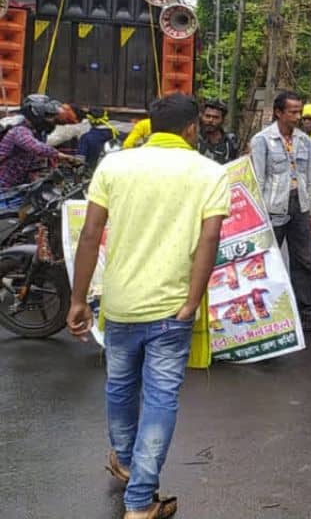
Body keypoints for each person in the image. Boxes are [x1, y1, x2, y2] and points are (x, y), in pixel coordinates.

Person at [66, 93, 230, 519]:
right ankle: (139, 502)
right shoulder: (209, 173)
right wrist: (192, 301)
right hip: (172, 307)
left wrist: (79, 299)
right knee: (160, 398)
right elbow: (209, 239)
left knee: (120, 386)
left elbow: (90, 234)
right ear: (192, 127)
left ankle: (123, 459)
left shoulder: (116, 165)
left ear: (150, 125)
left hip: (121, 304)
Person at [249, 91, 311, 334]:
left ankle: (309, 316)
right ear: (279, 112)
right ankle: (266, 321)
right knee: (267, 264)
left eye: (300, 111)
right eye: (293, 112)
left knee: (304, 262)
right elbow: (257, 179)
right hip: (272, 208)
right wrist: (259, 215)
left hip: (300, 206)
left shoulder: (304, 140)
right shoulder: (262, 140)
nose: (298, 116)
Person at [0, 93, 79, 190]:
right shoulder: (19, 130)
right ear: (36, 114)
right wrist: (62, 156)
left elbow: (34, 160)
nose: (51, 121)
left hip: (20, 184)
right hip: (4, 184)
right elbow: (35, 147)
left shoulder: (39, 133)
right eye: (48, 116)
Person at [196, 100, 239, 165]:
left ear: (223, 120)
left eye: (216, 117)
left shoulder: (230, 142)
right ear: (202, 117)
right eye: (207, 116)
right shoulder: (194, 139)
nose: (210, 120)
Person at [77, 106, 119, 170]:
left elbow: (79, 161)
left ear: (90, 121)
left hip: (93, 176)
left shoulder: (86, 138)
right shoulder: (115, 134)